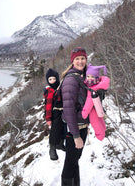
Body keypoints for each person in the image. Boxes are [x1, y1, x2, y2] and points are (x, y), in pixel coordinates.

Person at [60, 47, 89, 186]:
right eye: (77, 59)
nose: (80, 61)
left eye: (82, 58)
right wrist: (76, 135)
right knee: (70, 163)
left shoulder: (83, 76)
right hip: (74, 130)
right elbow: (68, 110)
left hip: (81, 126)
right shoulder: (71, 80)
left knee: (74, 160)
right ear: (72, 61)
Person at [82, 63, 110, 141]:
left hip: (92, 109)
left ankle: (100, 135)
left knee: (95, 122)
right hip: (98, 106)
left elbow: (89, 102)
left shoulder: (93, 88)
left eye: (92, 77)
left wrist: (84, 113)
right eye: (88, 76)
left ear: (96, 78)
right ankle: (103, 130)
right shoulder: (97, 84)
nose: (89, 78)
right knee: (100, 119)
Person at [43, 68, 65, 161]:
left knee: (64, 128)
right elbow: (48, 106)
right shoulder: (50, 91)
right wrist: (48, 118)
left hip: (63, 111)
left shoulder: (60, 87)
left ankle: (60, 143)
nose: (52, 81)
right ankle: (52, 148)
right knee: (55, 130)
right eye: (50, 80)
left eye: (54, 79)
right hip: (54, 112)